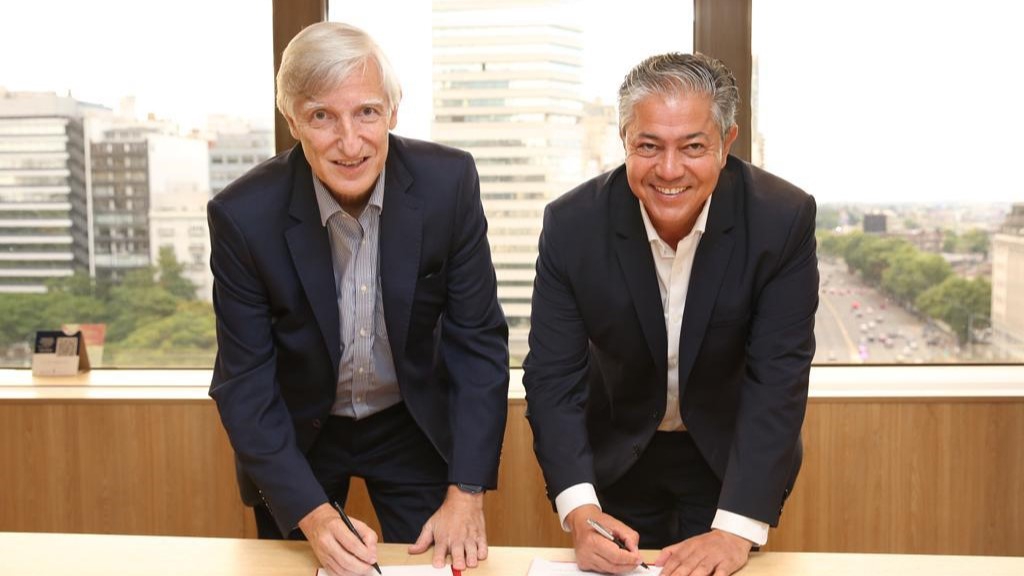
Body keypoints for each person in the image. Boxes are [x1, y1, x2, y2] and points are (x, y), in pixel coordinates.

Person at [207, 22, 509, 576]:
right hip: (299, 430)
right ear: (292, 120)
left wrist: (467, 491)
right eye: (322, 116)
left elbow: (478, 344)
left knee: (440, 564)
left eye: (367, 112)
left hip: (409, 419)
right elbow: (244, 383)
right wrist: (314, 516)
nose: (350, 143)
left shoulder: (449, 184)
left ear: (393, 110)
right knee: (303, 567)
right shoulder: (242, 216)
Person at [523, 52, 817, 576]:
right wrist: (580, 510)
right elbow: (553, 378)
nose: (669, 169)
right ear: (624, 139)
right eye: (649, 146)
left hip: (729, 461)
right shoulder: (571, 225)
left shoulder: (782, 219)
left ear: (727, 143)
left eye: (694, 147)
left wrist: (735, 531)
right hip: (617, 455)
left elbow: (778, 379)